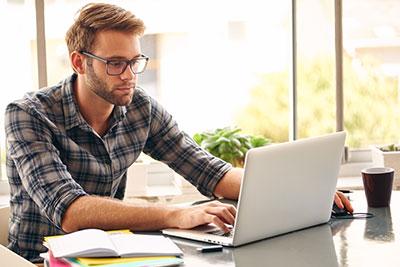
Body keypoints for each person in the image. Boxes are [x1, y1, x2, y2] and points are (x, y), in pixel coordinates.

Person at [4, 3, 352, 263]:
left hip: (110, 256)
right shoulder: (28, 115)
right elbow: (71, 212)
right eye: (115, 63)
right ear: (80, 62)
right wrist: (175, 214)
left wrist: (301, 190)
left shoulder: (140, 108)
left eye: (135, 61)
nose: (129, 75)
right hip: (39, 259)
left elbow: (210, 171)